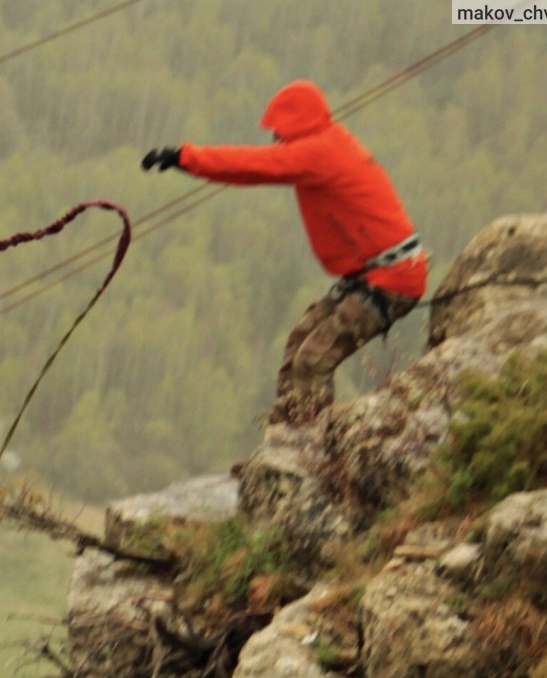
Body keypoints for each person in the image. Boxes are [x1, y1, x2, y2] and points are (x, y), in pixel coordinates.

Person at [142, 80, 427, 425]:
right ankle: (285, 435)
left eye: (279, 130)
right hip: (372, 277)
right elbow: (257, 168)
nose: (275, 137)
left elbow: (253, 165)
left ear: (296, 123)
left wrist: (184, 157)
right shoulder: (325, 144)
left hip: (392, 278)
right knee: (298, 346)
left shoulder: (319, 151)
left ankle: (309, 449)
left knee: (313, 359)